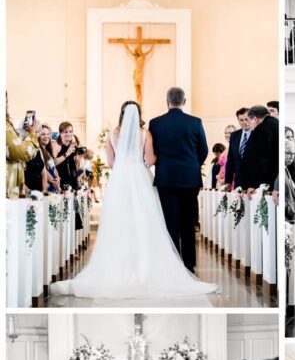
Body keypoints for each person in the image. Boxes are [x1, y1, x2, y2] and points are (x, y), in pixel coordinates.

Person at [50, 101, 215, 298]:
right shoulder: (145, 133)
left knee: (119, 222)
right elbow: (151, 160)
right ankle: (146, 264)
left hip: (120, 180)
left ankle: (118, 264)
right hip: (139, 177)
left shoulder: (112, 134)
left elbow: (111, 163)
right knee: (146, 221)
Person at [149, 87, 210, 272]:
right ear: (184, 102)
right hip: (189, 179)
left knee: (170, 221)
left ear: (167, 101)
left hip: (166, 177)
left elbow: (154, 151)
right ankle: (189, 264)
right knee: (188, 221)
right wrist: (192, 165)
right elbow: (204, 149)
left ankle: (172, 262)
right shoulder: (195, 122)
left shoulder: (155, 123)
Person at [237, 105, 279, 190]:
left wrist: (253, 185)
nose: (248, 124)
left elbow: (261, 161)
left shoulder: (260, 130)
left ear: (255, 119)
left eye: (249, 120)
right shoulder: (276, 123)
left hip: (265, 183)